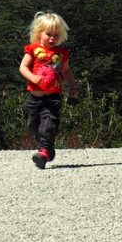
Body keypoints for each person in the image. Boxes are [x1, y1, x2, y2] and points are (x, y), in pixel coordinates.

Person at [19, 11, 79, 169]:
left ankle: (43, 153)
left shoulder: (61, 54)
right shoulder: (33, 49)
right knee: (34, 126)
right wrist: (32, 77)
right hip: (34, 97)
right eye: (48, 34)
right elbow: (23, 67)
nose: (52, 38)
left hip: (52, 97)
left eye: (56, 35)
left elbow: (66, 71)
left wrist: (72, 87)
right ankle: (47, 148)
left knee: (48, 124)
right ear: (39, 33)